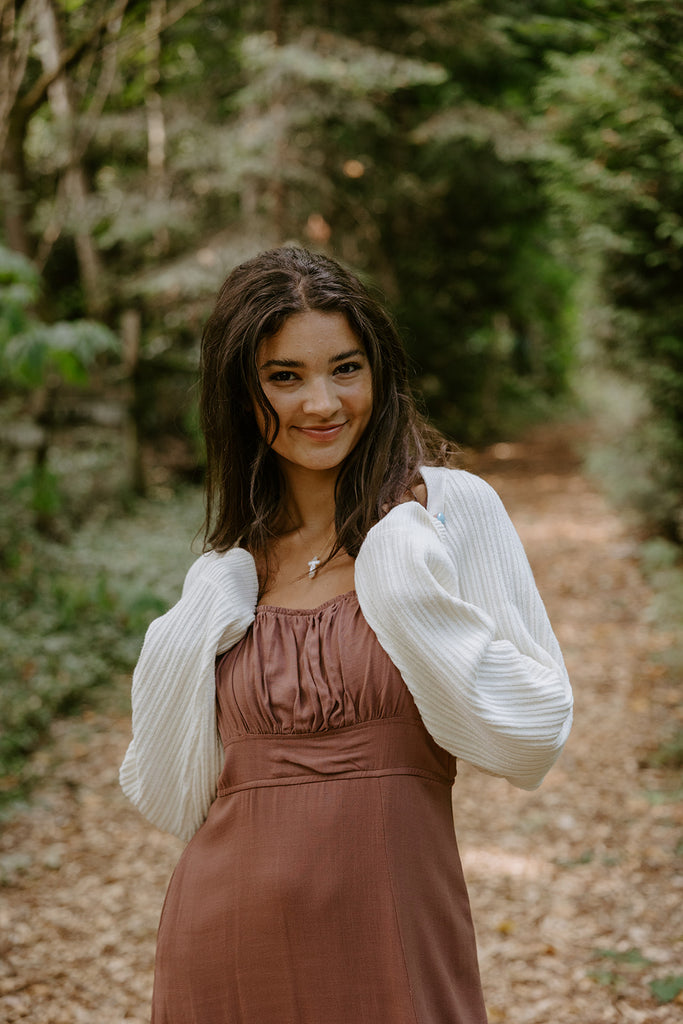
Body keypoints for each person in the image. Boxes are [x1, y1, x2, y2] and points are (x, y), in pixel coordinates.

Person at [120, 246, 573, 1024]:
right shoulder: (233, 567)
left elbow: (532, 730)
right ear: (241, 393)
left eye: (345, 368)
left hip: (393, 928)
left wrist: (399, 577)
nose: (321, 402)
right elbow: (167, 792)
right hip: (226, 937)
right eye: (283, 376)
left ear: (379, 373)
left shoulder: (446, 511)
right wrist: (198, 616)